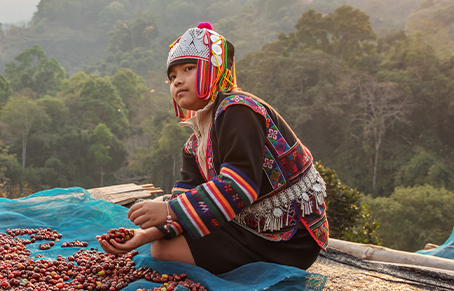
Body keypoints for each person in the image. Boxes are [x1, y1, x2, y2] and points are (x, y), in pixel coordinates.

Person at [98, 22, 328, 274]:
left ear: (215, 70)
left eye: (188, 68)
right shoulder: (195, 142)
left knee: (165, 251)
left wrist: (167, 210)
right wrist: (143, 235)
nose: (177, 81)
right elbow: (186, 194)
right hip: (244, 224)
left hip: (288, 238)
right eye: (172, 76)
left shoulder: (239, 109)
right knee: (161, 246)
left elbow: (240, 186)